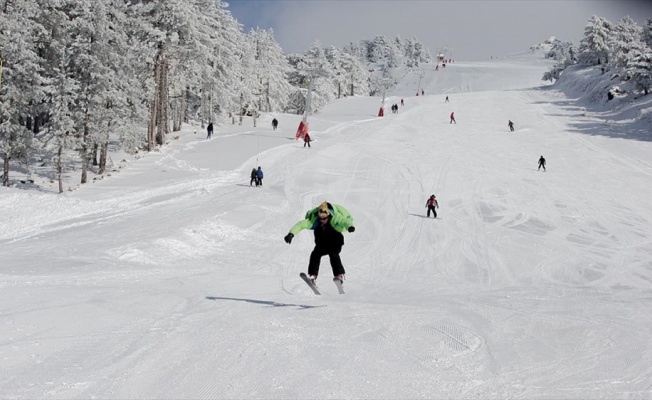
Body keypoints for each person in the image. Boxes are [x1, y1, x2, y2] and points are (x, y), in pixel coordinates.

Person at [284, 201, 355, 286]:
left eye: (324, 218)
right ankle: (313, 276)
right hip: (322, 244)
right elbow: (301, 224)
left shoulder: (335, 218)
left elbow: (344, 221)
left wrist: (350, 226)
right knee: (315, 255)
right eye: (320, 218)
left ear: (328, 216)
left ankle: (339, 275)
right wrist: (291, 234)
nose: (322, 220)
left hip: (335, 242)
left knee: (334, 254)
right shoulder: (315, 220)